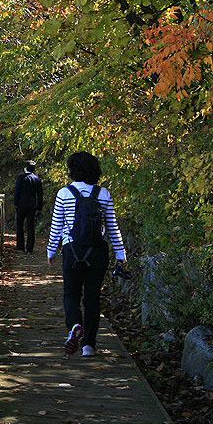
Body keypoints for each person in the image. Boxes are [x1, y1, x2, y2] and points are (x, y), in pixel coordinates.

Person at [47, 152, 126, 357]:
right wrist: (120, 253)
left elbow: (56, 226)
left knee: (71, 294)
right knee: (92, 297)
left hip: (72, 250)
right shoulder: (103, 193)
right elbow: (112, 226)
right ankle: (88, 345)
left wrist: (51, 250)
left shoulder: (64, 193)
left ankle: (74, 325)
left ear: (72, 170)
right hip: (97, 252)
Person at [13, 160, 43, 252]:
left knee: (19, 225)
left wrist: (15, 203)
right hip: (32, 206)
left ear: (25, 168)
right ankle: (30, 248)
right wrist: (39, 208)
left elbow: (17, 191)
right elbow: (40, 195)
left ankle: (20, 246)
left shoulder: (21, 178)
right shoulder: (37, 179)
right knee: (30, 226)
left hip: (21, 205)